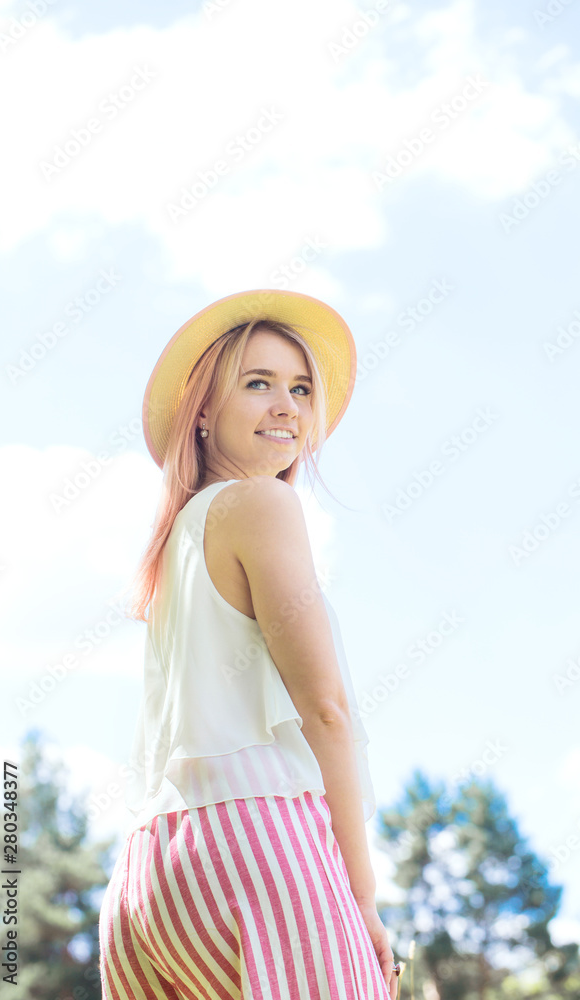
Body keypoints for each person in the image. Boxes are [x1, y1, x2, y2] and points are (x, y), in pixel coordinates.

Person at [98, 289, 401, 999]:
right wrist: (361, 900)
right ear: (201, 410)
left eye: (299, 389)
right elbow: (325, 711)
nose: (287, 407)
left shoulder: (175, 544)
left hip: (148, 880)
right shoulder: (263, 504)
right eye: (257, 383)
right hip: (257, 849)